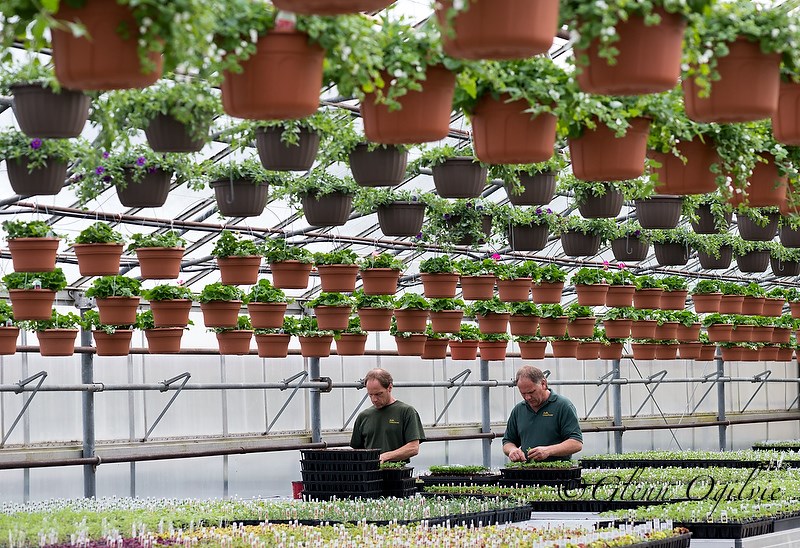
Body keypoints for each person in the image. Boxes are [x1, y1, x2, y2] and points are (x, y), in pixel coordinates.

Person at [502, 365, 583, 462]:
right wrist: (512, 450)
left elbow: (576, 443)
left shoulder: (562, 406)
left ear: (543, 384)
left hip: (558, 473)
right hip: (526, 473)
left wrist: (548, 451)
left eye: (531, 392)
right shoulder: (519, 410)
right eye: (523, 393)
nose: (527, 397)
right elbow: (508, 441)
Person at [350, 368, 425, 463]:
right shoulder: (364, 416)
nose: (374, 399)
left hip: (397, 475)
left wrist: (385, 456)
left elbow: (413, 447)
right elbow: (357, 451)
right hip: (369, 475)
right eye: (370, 395)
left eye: (378, 394)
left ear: (389, 387)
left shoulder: (406, 412)